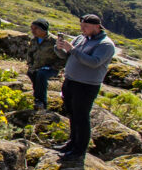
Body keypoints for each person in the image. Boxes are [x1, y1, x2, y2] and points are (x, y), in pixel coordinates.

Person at [54, 14, 117, 161]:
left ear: (97, 26)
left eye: (86, 26)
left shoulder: (105, 44)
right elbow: (66, 56)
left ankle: (79, 150)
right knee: (72, 114)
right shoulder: (81, 38)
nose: (82, 29)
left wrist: (73, 49)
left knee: (81, 117)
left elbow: (94, 62)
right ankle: (71, 143)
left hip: (86, 85)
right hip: (71, 81)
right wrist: (59, 48)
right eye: (81, 26)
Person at [25, 17, 60, 110]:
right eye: (32, 28)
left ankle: (42, 102)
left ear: (43, 29)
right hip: (36, 67)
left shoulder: (54, 41)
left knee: (41, 75)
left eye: (35, 28)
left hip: (51, 68)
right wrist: (30, 65)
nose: (33, 31)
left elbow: (63, 57)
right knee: (32, 74)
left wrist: (53, 67)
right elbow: (30, 54)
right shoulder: (34, 40)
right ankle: (37, 98)